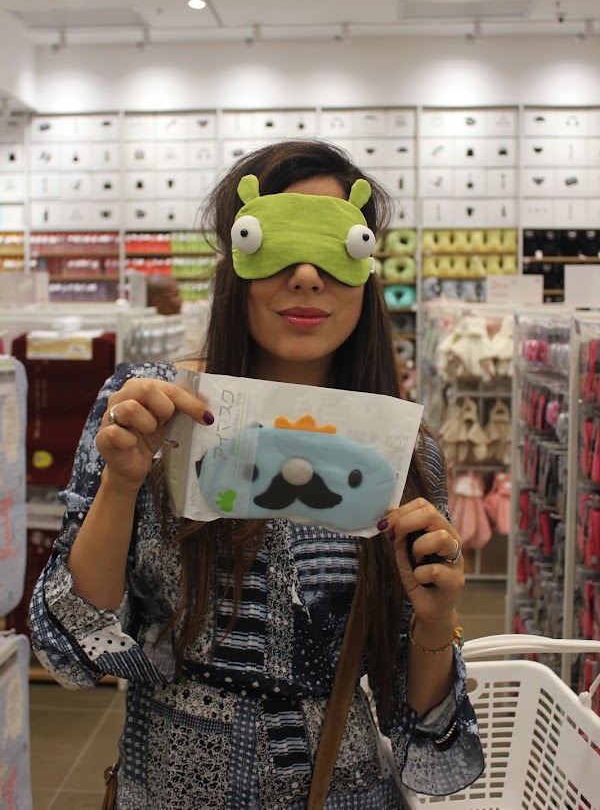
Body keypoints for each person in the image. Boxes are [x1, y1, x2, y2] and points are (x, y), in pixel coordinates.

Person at [29, 140, 484, 809]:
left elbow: (417, 718)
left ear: (366, 269)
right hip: (169, 788)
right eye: (274, 246)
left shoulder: (403, 456)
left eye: (335, 249)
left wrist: (436, 620)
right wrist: (123, 485)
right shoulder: (149, 411)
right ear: (234, 263)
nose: (305, 276)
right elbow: (74, 647)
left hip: (343, 788)